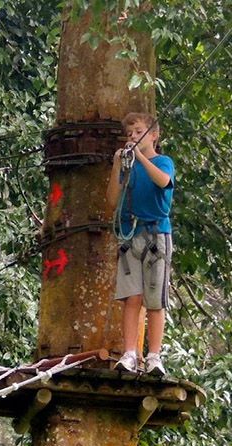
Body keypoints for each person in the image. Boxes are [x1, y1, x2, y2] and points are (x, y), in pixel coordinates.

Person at [107, 112, 176, 376]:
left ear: (154, 135)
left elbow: (163, 181)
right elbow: (112, 201)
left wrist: (141, 157)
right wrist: (117, 167)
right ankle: (129, 354)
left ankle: (154, 356)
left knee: (155, 299)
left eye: (139, 132)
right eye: (130, 134)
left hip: (157, 235)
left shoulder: (163, 161)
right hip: (128, 234)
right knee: (131, 298)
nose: (133, 137)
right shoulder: (128, 167)